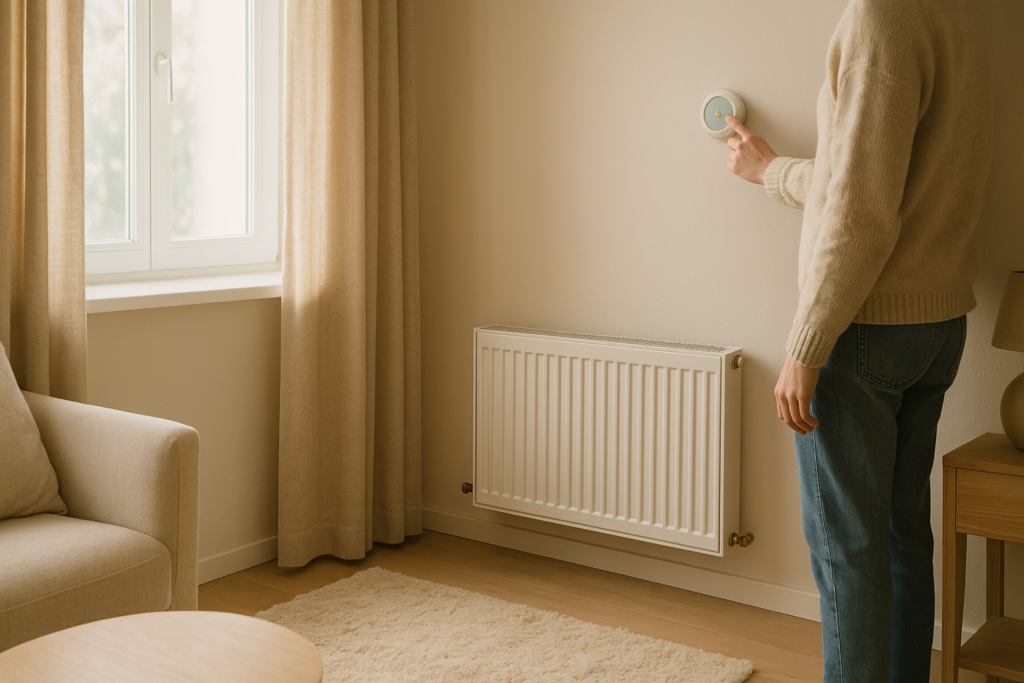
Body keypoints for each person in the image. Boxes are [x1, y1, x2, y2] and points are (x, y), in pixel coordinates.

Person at [724, 0, 993, 681]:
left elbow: (862, 209)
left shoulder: (882, 16)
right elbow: (874, 175)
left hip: (864, 329)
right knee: (902, 537)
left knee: (847, 551)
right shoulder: (966, 13)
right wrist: (773, 170)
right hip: (937, 324)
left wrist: (806, 345)